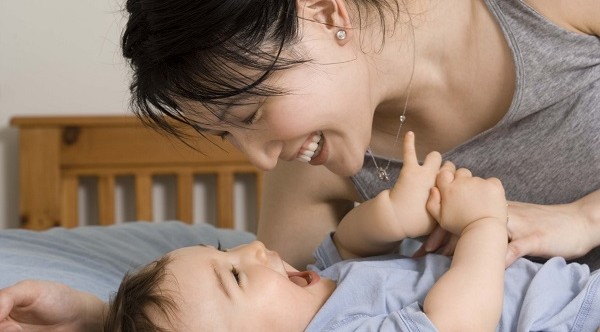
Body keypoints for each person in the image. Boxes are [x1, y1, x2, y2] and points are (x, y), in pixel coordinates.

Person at [120, 0, 600, 270]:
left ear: (325, 15)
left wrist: (584, 220)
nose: (260, 159)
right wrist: (113, 318)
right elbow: (269, 312)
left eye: (249, 115)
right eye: (228, 135)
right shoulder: (311, 172)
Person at [93, 134, 597, 331]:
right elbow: (457, 326)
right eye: (238, 278)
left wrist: (393, 218)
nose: (255, 249)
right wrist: (484, 225)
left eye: (228, 250)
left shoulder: (321, 285)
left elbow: (351, 243)